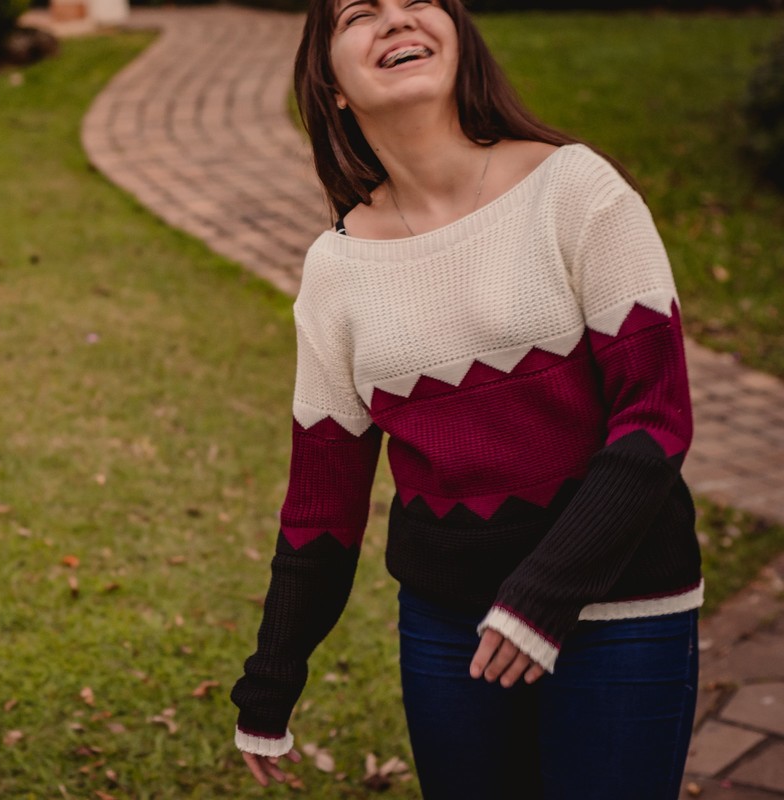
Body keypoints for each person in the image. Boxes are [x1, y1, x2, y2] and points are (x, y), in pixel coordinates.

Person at [228, 1, 703, 797]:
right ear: (331, 82)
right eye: (360, 13)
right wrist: (272, 676)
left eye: (419, 1)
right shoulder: (337, 268)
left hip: (625, 612)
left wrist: (539, 597)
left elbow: (655, 423)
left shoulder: (575, 189)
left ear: (456, 34)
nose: (396, 19)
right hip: (450, 632)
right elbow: (322, 505)